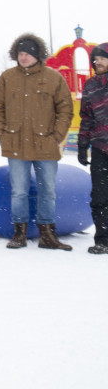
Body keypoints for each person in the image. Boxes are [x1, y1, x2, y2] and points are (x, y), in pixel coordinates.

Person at [0, 33, 74, 251]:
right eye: (20, 53)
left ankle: (47, 235)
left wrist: (57, 136)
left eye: (28, 53)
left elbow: (65, 108)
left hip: (45, 143)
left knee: (47, 190)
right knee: (19, 191)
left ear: (38, 55)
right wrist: (1, 133)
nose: (24, 57)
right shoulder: (7, 78)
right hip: (15, 143)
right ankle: (19, 234)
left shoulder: (54, 77)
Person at [78, 44, 108, 255]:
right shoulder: (90, 86)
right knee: (99, 197)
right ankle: (103, 240)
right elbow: (86, 118)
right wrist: (82, 145)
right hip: (100, 149)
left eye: (102, 58)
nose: (98, 62)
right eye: (95, 59)